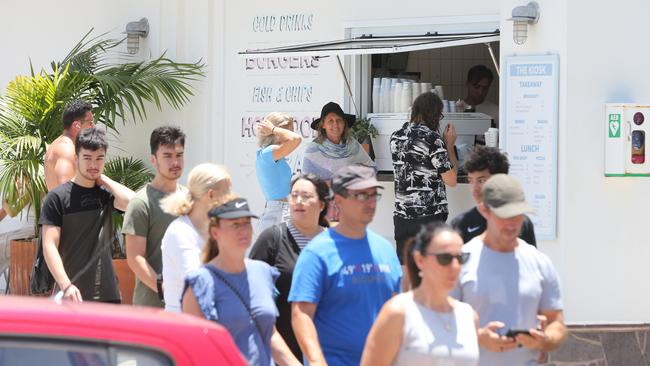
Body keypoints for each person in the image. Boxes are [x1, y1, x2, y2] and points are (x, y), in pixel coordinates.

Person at [289, 165, 402, 366]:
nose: (370, 203)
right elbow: (302, 314)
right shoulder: (317, 253)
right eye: (360, 195)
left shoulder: (385, 249)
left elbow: (396, 310)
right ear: (338, 201)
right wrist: (316, 362)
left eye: (373, 195)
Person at [451, 174, 567, 365]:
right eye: (503, 215)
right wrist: (479, 338)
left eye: (517, 214)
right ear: (484, 210)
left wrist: (545, 339)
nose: (511, 223)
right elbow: (438, 322)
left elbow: (556, 322)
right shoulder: (459, 261)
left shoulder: (539, 262)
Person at [182, 198, 300, 366]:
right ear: (215, 232)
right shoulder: (200, 283)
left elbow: (270, 333)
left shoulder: (263, 272)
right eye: (235, 225)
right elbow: (192, 348)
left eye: (246, 223)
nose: (243, 230)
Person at [360, 222, 478, 366]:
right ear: (420, 260)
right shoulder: (398, 312)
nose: (455, 267)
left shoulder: (468, 316)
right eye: (445, 258)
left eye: (460, 258)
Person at [40, 128, 135, 302]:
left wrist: (103, 179)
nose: (93, 164)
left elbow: (133, 203)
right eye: (87, 158)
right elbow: (49, 245)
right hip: (72, 296)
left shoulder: (105, 195)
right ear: (76, 159)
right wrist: (65, 285)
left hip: (109, 295)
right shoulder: (57, 198)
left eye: (99, 158)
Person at [249, 173, 330, 359]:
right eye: (294, 195)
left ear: (322, 204)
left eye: (306, 196)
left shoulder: (334, 243)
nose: (298, 201)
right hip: (282, 353)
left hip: (328, 352)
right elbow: (251, 296)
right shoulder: (272, 239)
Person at [390, 91, 458, 282]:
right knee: (431, 275)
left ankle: (406, 309)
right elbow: (451, 179)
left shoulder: (396, 137)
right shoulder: (433, 139)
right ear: (434, 114)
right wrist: (449, 146)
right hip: (429, 218)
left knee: (406, 277)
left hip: (402, 217)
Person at [123, 126, 185, 307]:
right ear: (154, 159)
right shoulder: (140, 203)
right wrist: (165, 289)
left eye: (179, 155)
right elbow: (135, 259)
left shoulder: (191, 199)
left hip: (187, 307)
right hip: (151, 308)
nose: (175, 162)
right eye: (167, 156)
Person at [160, 163, 233, 313]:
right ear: (211, 195)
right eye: (227, 192)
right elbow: (198, 282)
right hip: (183, 327)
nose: (232, 199)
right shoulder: (180, 232)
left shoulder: (216, 230)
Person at [451, 146, 537, 246]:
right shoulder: (461, 224)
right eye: (470, 181)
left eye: (481, 181)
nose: (474, 189)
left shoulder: (521, 223)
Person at [302, 101, 375, 180]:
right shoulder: (313, 150)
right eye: (330, 121)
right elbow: (306, 182)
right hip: (324, 192)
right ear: (323, 125)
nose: (335, 124)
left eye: (339, 120)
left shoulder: (353, 145)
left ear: (344, 123)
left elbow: (372, 167)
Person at [255, 112, 302, 233]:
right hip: (278, 214)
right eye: (289, 131)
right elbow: (296, 139)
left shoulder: (270, 154)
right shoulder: (269, 152)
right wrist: (273, 129)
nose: (291, 135)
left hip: (280, 212)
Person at [44, 100, 95, 191]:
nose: (93, 127)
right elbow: (66, 193)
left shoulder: (61, 144)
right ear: (76, 125)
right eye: (90, 122)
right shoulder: (66, 150)